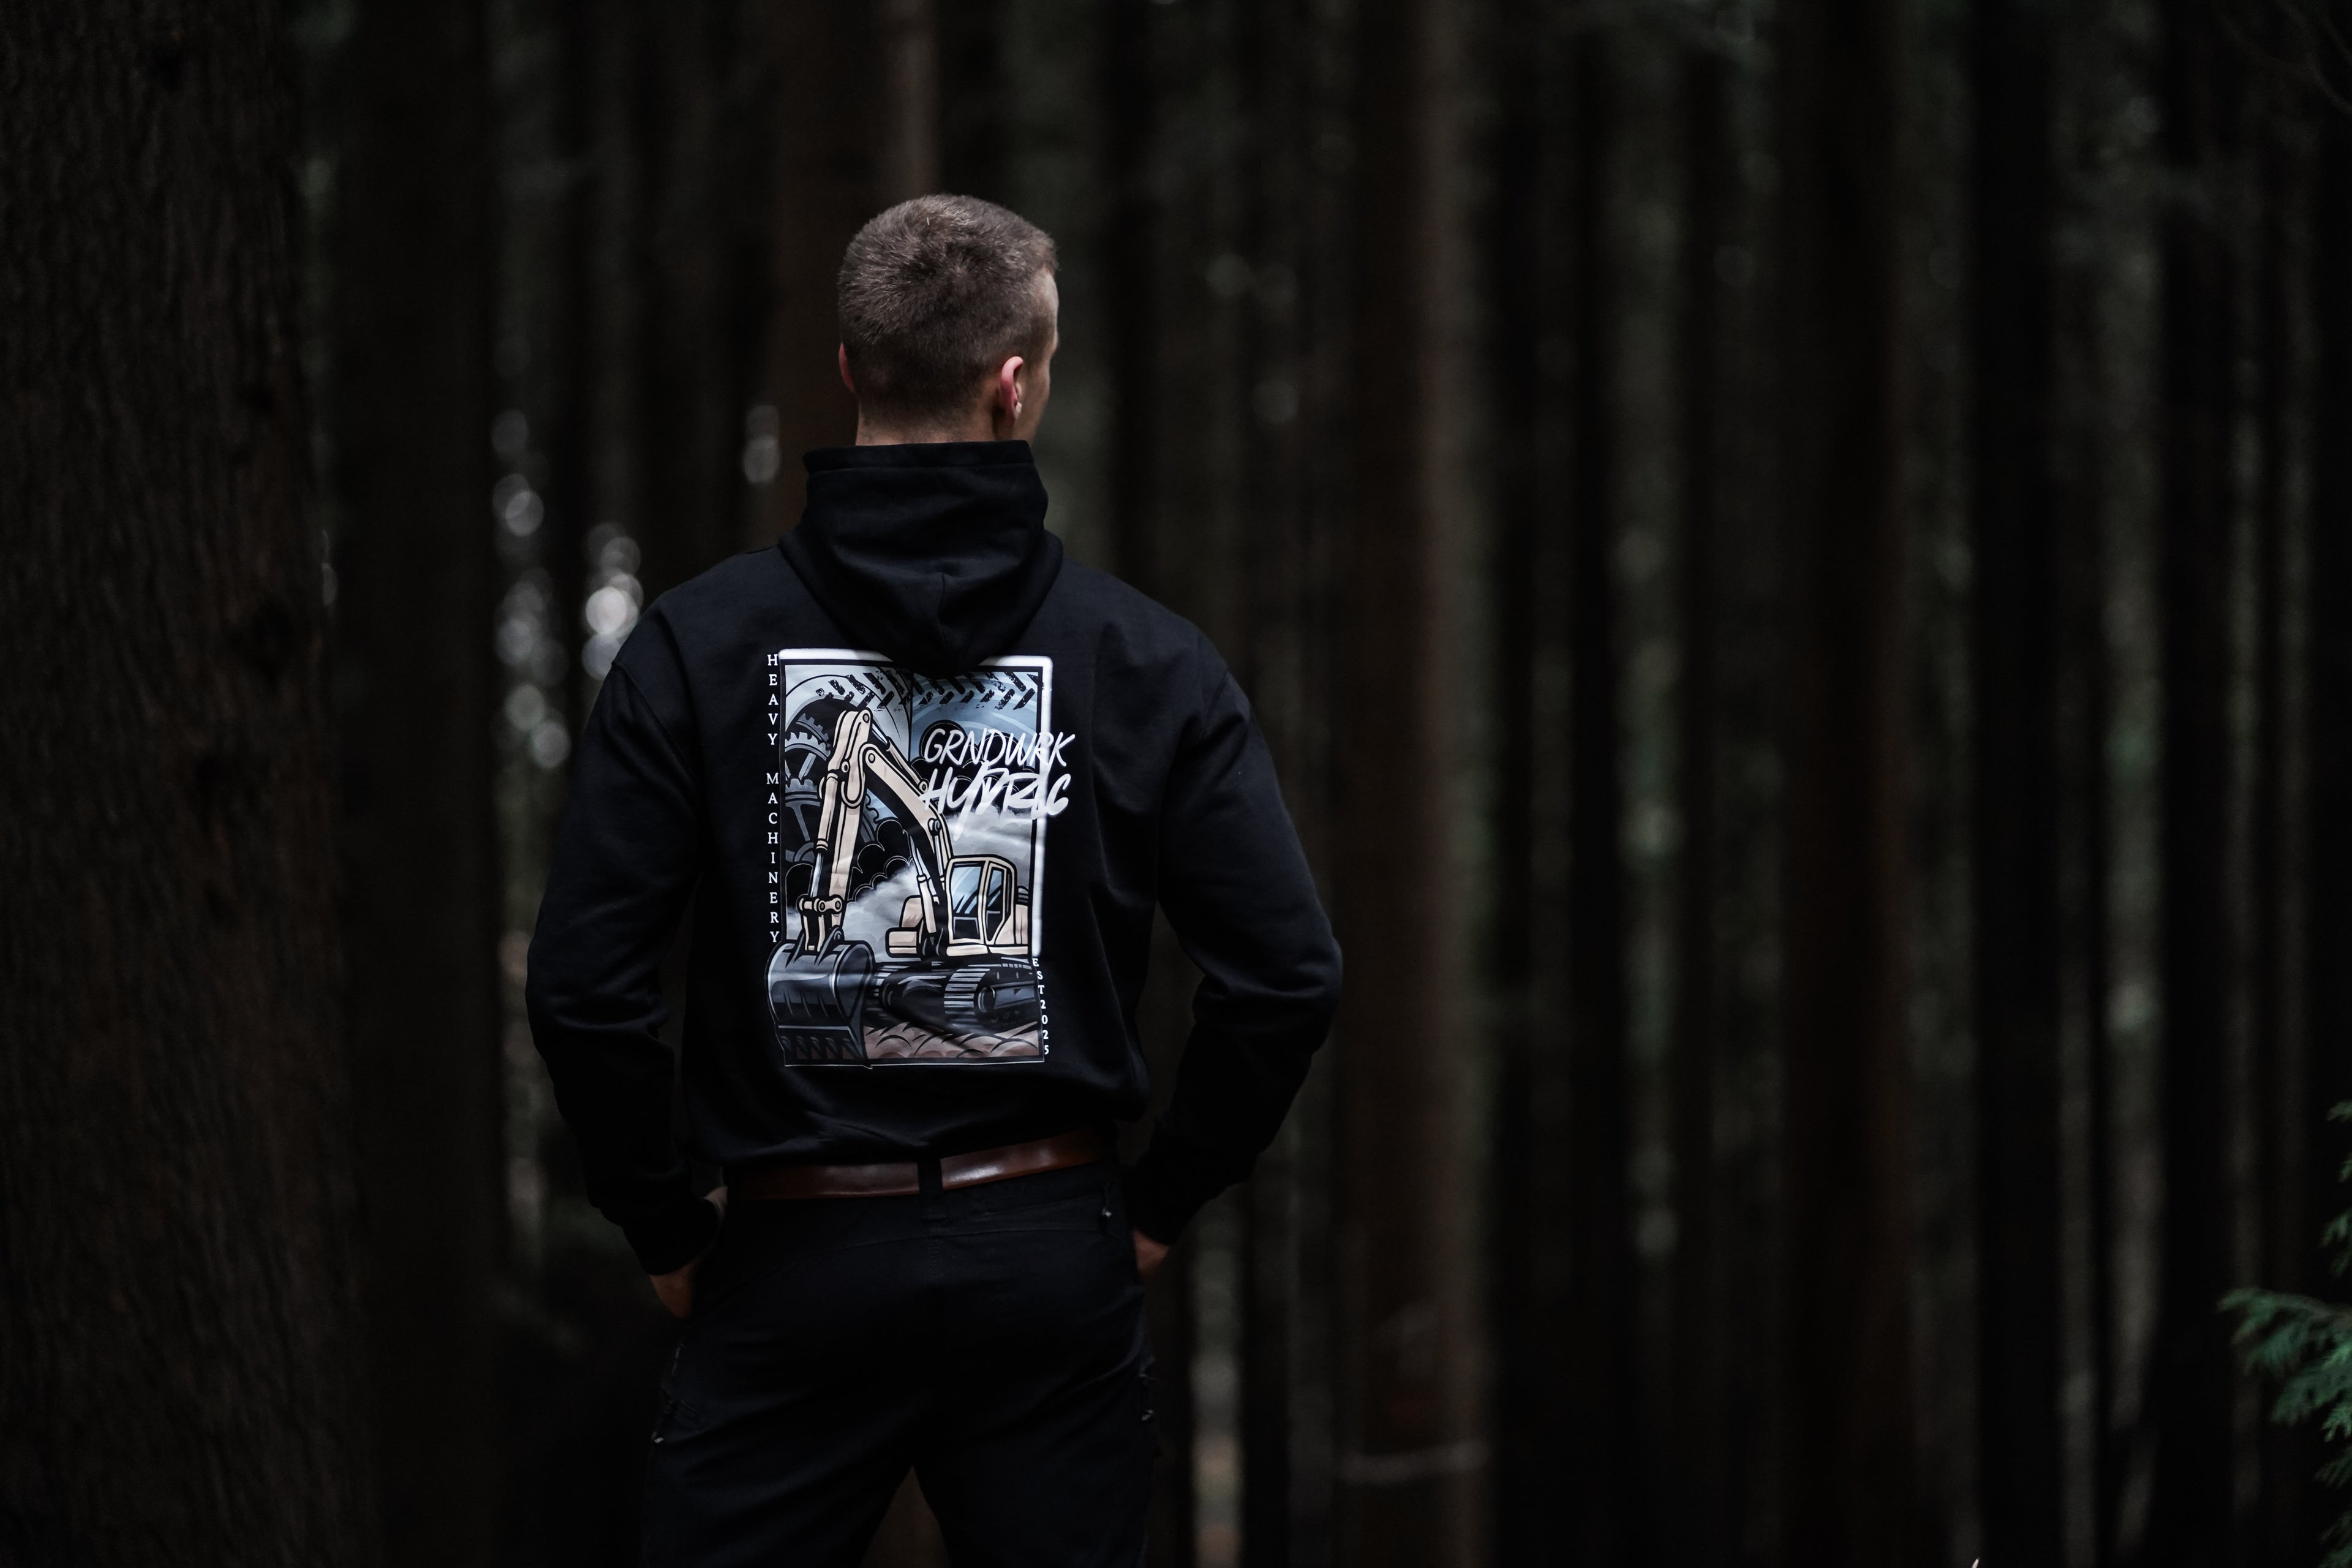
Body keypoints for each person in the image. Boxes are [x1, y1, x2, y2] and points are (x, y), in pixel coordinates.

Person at [526, 193, 1342, 1568]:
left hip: (788, 1258)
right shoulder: (1145, 659)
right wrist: (1159, 1200)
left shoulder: (695, 646)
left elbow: (584, 988)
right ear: (1015, 385)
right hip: (1049, 1256)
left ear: (851, 366)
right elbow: (1287, 977)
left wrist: (663, 1222)